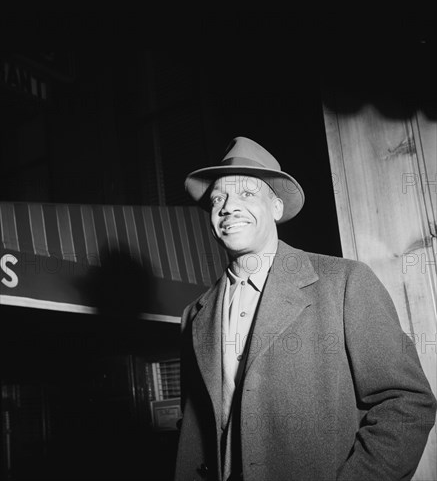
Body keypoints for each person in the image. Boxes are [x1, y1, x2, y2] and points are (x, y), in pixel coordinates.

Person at [174, 136, 436, 481]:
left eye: (247, 194)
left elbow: (406, 403)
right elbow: (196, 429)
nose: (228, 206)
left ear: (277, 208)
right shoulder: (195, 314)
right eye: (218, 198)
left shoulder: (345, 282)